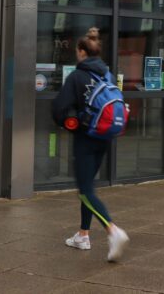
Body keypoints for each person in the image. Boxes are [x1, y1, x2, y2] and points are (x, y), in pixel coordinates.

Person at [52, 34, 129, 262]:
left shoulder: (77, 76)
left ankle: (113, 231)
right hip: (104, 137)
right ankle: (83, 235)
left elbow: (59, 108)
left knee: (85, 191)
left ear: (82, 52)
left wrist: (66, 121)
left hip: (85, 138)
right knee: (89, 187)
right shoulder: (108, 75)